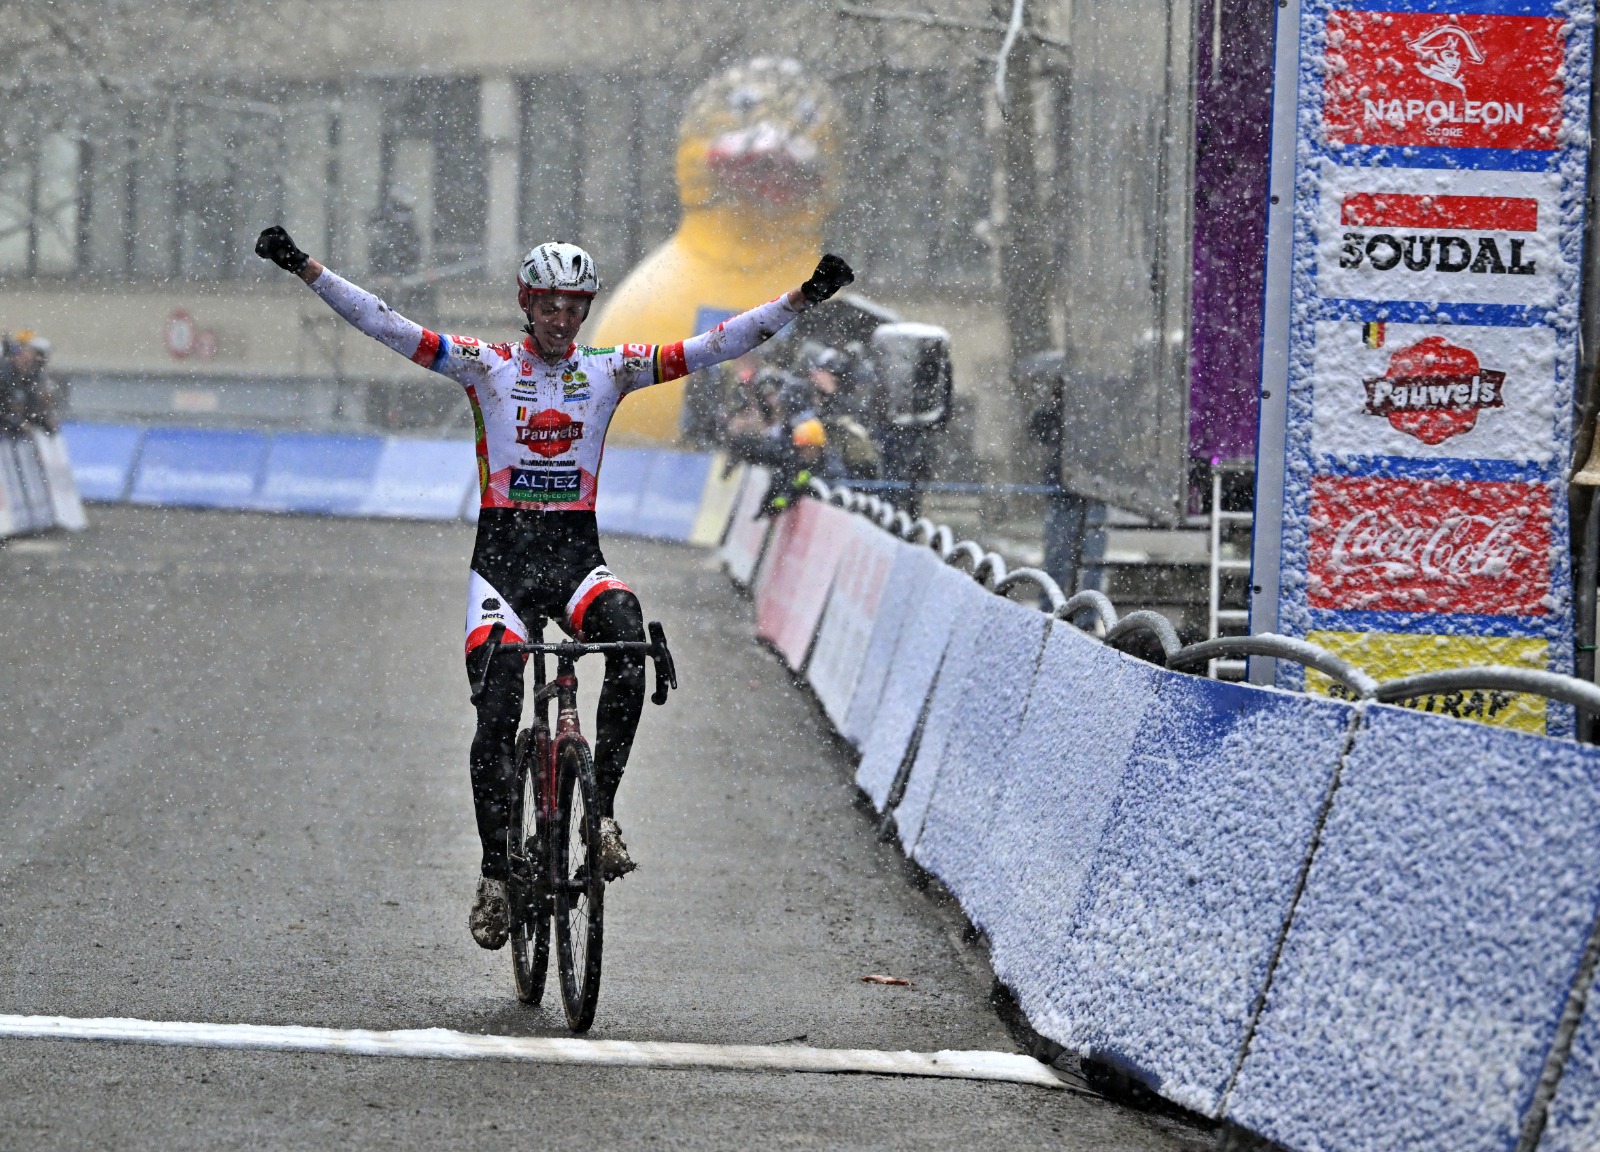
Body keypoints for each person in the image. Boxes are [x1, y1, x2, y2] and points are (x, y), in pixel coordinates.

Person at [255, 224, 854, 950]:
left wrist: (800, 299)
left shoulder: (610, 369)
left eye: (573, 305)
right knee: (500, 706)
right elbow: (388, 325)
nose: (561, 317)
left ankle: (600, 816)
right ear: (526, 303)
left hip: (573, 560)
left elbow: (715, 345)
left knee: (629, 630)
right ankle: (494, 876)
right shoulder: (486, 366)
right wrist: (306, 269)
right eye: (548, 304)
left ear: (585, 309)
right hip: (502, 566)